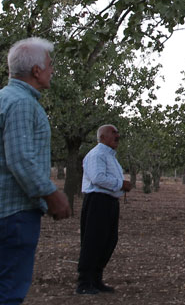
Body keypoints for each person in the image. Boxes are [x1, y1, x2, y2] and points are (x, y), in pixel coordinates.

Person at [0, 37, 71, 305]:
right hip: (13, 214)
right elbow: (21, 160)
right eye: (49, 65)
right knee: (6, 294)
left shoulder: (0, 98)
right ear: (36, 70)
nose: (52, 70)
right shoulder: (23, 104)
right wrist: (51, 194)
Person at [76, 123, 133, 295]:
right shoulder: (97, 154)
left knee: (109, 241)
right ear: (102, 137)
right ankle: (84, 282)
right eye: (113, 133)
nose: (118, 136)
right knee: (93, 241)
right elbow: (98, 178)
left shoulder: (110, 157)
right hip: (97, 201)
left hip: (109, 202)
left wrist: (121, 187)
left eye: (118, 132)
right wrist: (120, 184)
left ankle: (96, 279)